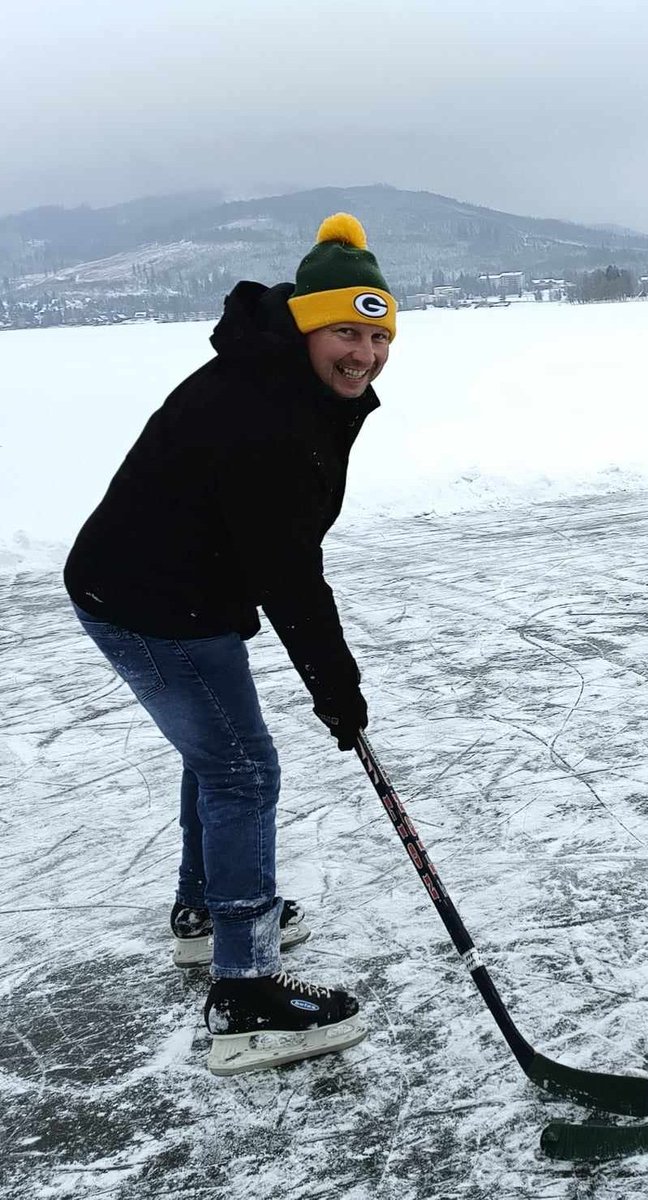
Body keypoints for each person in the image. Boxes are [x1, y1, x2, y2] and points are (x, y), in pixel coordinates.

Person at [64, 212, 396, 1075]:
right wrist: (338, 688)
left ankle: (206, 913)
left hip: (174, 589)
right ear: (303, 324)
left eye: (375, 334)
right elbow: (289, 571)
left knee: (216, 757)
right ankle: (243, 993)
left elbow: (283, 548)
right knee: (243, 768)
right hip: (153, 603)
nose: (361, 353)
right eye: (344, 334)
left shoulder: (286, 380)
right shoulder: (265, 413)